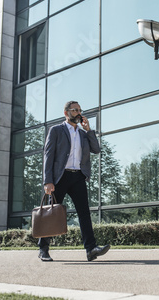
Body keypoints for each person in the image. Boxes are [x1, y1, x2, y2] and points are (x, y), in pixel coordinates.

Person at [38, 101, 110, 262]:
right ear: (66, 113)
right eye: (75, 110)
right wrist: (47, 180)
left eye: (80, 110)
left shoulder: (83, 134)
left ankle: (91, 249)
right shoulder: (56, 130)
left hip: (78, 176)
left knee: (84, 213)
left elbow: (96, 150)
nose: (78, 112)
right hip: (60, 177)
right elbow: (48, 156)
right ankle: (43, 249)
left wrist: (89, 130)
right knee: (51, 214)